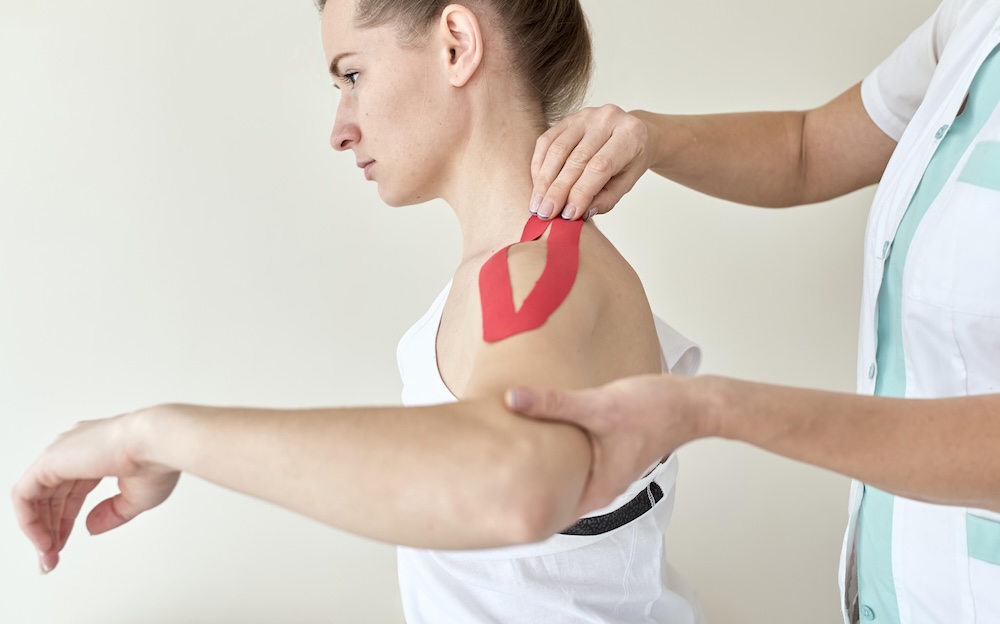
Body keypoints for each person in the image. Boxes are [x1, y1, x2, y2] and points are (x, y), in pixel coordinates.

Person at [11, 0, 707, 622]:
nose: (340, 129)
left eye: (352, 75)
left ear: (457, 45)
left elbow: (508, 479)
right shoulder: (520, 266)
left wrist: (152, 434)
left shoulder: (538, 273)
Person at [508, 0, 1000, 622]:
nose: (341, 129)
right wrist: (651, 136)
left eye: (354, 75)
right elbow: (809, 149)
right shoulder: (976, 19)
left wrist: (715, 408)